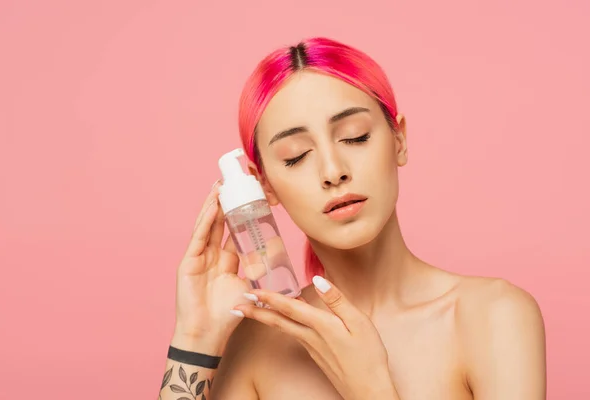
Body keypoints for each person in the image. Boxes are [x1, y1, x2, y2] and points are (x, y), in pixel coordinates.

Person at [157, 37, 546, 400]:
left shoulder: (493, 316)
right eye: (295, 156)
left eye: (355, 137)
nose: (333, 170)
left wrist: (371, 386)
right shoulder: (257, 342)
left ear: (399, 140)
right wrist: (194, 337)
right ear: (265, 187)